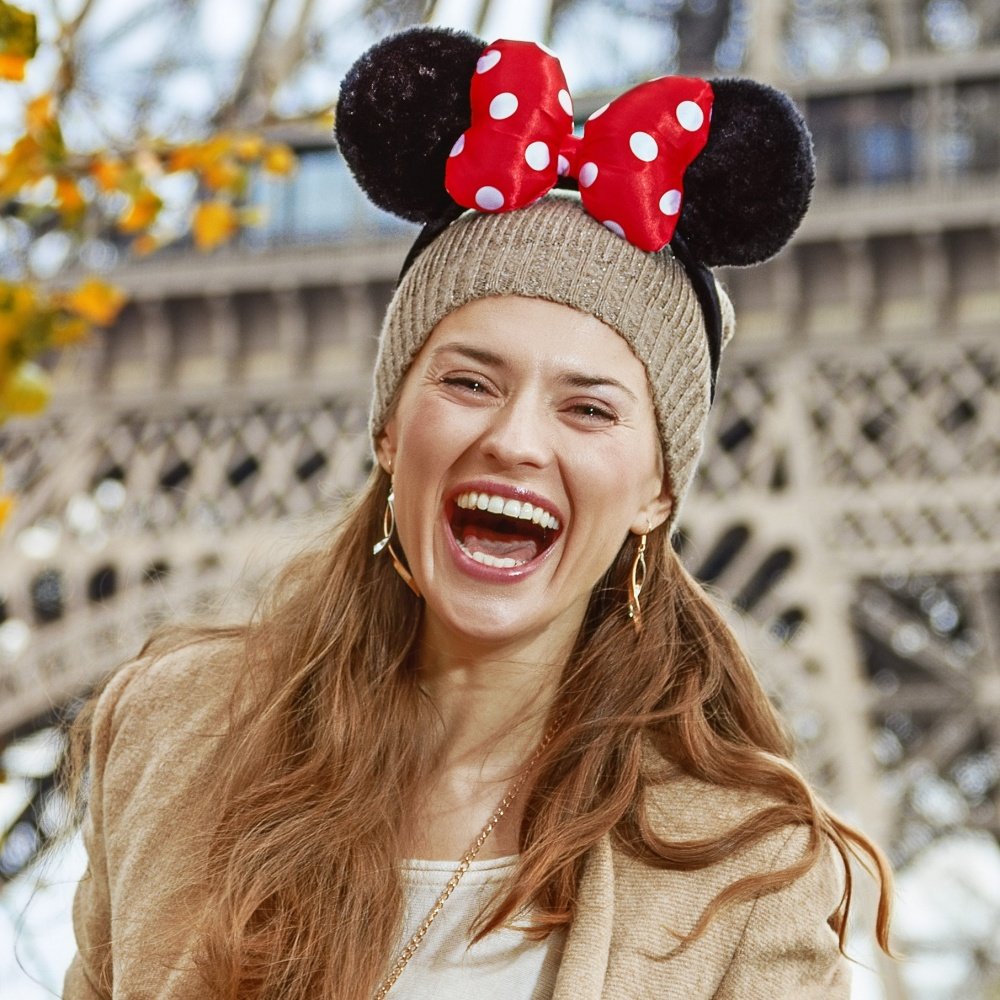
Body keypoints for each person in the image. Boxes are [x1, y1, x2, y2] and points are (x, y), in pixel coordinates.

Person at [63, 26, 892, 1000]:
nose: (515, 440)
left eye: (588, 409)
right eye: (468, 381)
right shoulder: (171, 732)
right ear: (388, 427)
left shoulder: (748, 874)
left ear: (657, 493)